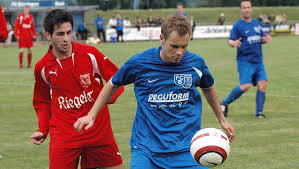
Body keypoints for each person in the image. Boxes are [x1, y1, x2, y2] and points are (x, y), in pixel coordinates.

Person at [74, 15, 235, 169]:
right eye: (174, 46)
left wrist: (222, 119)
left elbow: (208, 87)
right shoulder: (140, 63)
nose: (179, 52)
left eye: (184, 46)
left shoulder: (196, 64)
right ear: (162, 39)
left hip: (186, 148)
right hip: (146, 149)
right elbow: (112, 83)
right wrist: (91, 115)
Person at [30, 9, 124, 169]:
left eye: (69, 32)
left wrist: (107, 98)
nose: (66, 39)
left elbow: (117, 79)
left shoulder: (90, 54)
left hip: (98, 132)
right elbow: (43, 101)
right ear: (48, 35)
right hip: (64, 136)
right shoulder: (42, 67)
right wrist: (43, 128)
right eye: (60, 34)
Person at [221, 0, 272, 118]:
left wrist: (265, 39)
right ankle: (224, 102)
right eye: (244, 8)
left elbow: (260, 39)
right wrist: (233, 43)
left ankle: (259, 113)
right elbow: (230, 40)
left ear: (252, 9)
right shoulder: (238, 25)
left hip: (258, 61)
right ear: (241, 10)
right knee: (246, 85)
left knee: (263, 84)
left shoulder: (256, 23)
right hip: (245, 61)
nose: (247, 9)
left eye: (248, 7)